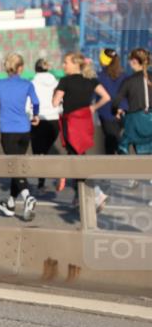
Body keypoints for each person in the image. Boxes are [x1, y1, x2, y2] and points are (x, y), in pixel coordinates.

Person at [0, 53, 41, 221]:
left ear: (6, 67)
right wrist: (35, 116)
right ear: (21, 68)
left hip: (8, 131)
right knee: (18, 167)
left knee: (15, 167)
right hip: (24, 131)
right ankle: (10, 203)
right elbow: (36, 103)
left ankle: (28, 197)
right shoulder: (27, 84)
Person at [53, 52, 111, 212]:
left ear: (75, 64)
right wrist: (93, 107)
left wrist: (57, 94)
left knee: (76, 159)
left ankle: (97, 193)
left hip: (71, 123)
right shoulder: (91, 80)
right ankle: (78, 198)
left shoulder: (65, 81)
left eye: (66, 62)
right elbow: (106, 97)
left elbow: (55, 102)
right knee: (79, 156)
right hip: (85, 122)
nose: (63, 65)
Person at [30, 58, 64, 193]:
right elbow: (61, 100)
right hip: (54, 120)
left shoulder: (31, 84)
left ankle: (41, 184)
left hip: (37, 119)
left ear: (35, 69)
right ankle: (57, 173)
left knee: (38, 153)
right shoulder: (56, 83)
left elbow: (28, 102)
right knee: (47, 150)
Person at [112, 48, 152, 158]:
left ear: (134, 61)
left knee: (123, 143)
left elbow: (116, 101)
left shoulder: (129, 81)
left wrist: (116, 111)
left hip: (135, 123)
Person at [96, 49, 127, 156]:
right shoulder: (124, 75)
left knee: (110, 142)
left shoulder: (100, 76)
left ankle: (110, 167)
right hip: (122, 112)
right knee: (117, 140)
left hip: (106, 113)